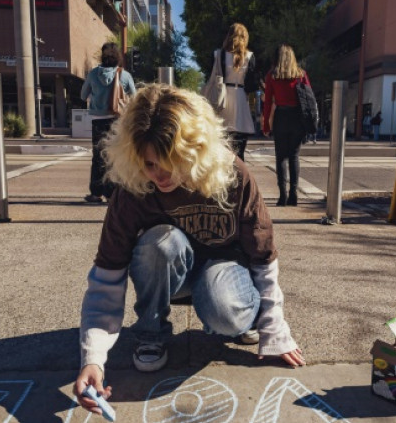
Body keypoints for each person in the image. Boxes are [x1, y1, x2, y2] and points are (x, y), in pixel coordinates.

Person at [74, 84, 304, 416]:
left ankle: (245, 316)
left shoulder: (232, 174)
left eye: (171, 161)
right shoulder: (134, 188)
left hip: (227, 271)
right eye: (150, 163)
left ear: (195, 149)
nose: (160, 175)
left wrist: (275, 329)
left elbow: (263, 257)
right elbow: (106, 279)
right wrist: (92, 359)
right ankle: (151, 333)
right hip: (173, 274)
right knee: (160, 244)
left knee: (222, 306)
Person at [81, 42, 137, 203]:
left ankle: (96, 193)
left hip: (98, 120)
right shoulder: (124, 75)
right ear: (118, 56)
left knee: (98, 156)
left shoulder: (93, 74)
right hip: (117, 120)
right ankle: (112, 193)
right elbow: (134, 98)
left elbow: (83, 95)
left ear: (102, 56)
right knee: (114, 156)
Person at [261, 44, 312, 206]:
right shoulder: (301, 74)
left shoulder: (272, 76)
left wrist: (266, 126)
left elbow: (268, 102)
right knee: (294, 156)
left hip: (281, 117)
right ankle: (293, 194)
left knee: (281, 157)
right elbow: (309, 99)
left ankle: (282, 195)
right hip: (297, 118)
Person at [214, 23, 257, 159]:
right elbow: (251, 85)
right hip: (241, 101)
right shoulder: (250, 56)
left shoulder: (218, 54)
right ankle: (240, 178)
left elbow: (212, 78)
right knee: (240, 152)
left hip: (223, 99)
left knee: (222, 149)